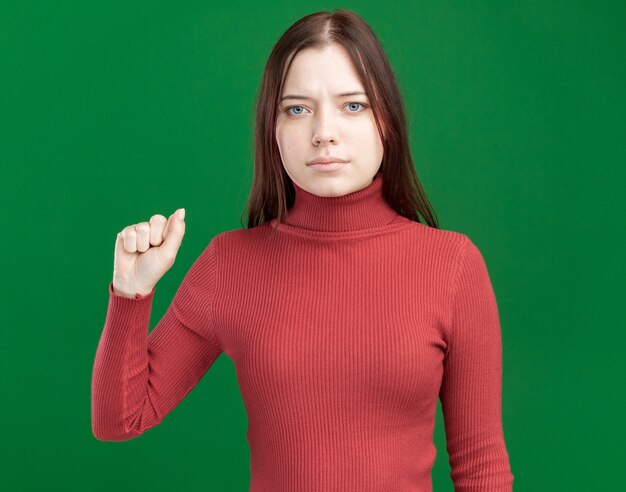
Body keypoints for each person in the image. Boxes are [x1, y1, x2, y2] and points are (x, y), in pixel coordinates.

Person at [91, 9, 515, 491]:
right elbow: (120, 420)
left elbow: (480, 465)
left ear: (387, 122)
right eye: (297, 108)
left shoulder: (453, 265)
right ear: (272, 130)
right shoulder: (229, 264)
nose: (323, 132)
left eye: (352, 105)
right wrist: (131, 292)